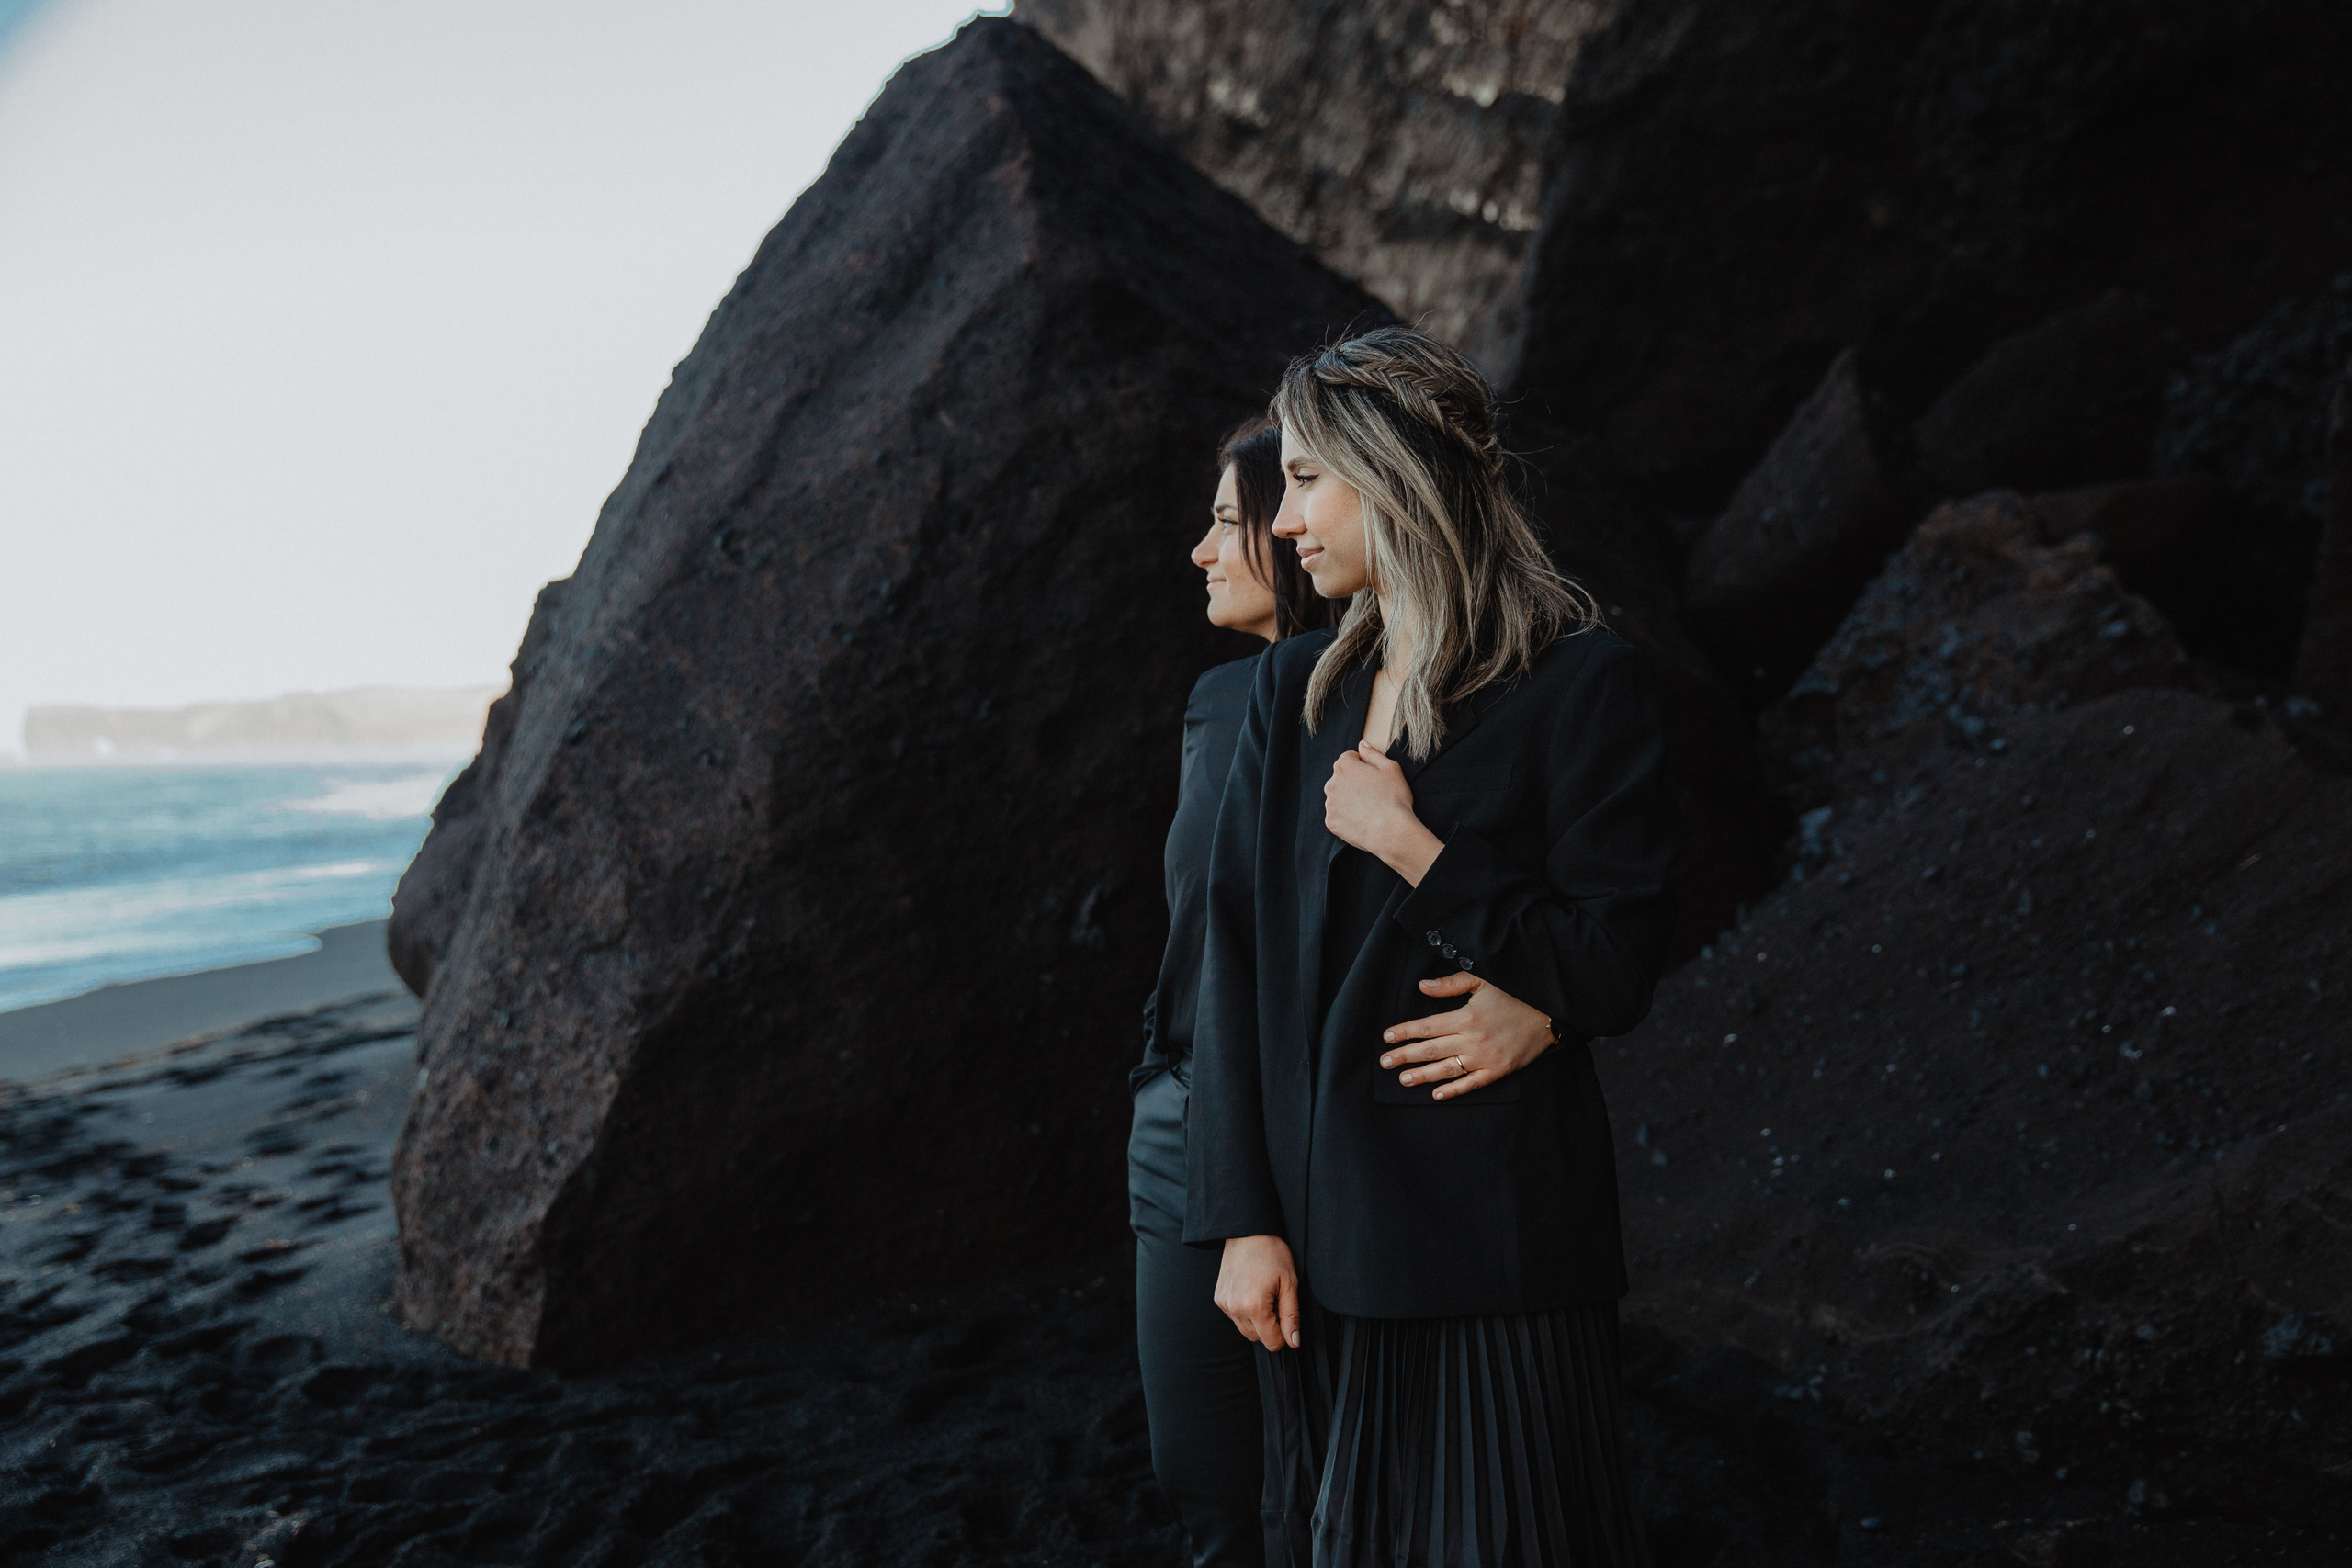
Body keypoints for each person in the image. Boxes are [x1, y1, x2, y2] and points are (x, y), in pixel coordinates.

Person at [1186, 327, 1679, 1567]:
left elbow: (1615, 961)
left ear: (1391, 474)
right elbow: (1232, 971)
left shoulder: (1584, 682)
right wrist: (1243, 1218)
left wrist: (1422, 852)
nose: (1283, 516)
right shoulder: (1293, 691)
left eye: (1304, 480)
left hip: (1500, 1244)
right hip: (1318, 1240)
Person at [1132, 416, 1564, 1567]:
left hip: (1332, 1135)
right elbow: (1215, 945)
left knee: (1322, 1490)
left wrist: (1545, 1005)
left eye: (1243, 513)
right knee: (1245, 1483)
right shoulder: (1240, 702)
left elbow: (1589, 904)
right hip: (1208, 1110)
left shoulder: (1449, 694)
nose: (1224, 542)